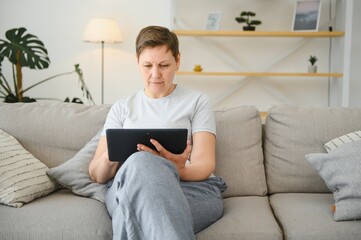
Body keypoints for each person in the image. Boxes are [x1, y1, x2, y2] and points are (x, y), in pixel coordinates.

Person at [89, 25, 227, 240]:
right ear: (137, 62)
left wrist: (174, 168)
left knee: (135, 208)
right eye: (147, 66)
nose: (155, 74)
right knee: (140, 164)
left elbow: (205, 164)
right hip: (128, 186)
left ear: (177, 61)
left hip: (190, 189)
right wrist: (115, 153)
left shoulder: (197, 101)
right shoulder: (122, 108)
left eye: (164, 65)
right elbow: (97, 174)